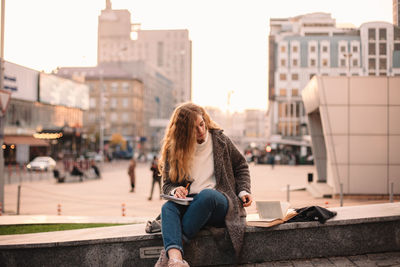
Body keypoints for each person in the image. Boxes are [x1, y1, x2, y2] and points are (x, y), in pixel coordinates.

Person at [155, 102, 252, 267]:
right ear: (183, 132)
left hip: (219, 201)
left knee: (207, 196)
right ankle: (176, 260)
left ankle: (167, 254)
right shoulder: (175, 149)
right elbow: (167, 185)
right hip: (190, 204)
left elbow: (241, 166)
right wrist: (175, 191)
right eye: (194, 128)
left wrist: (243, 191)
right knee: (167, 208)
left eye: (202, 124)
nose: (201, 131)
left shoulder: (220, 141)